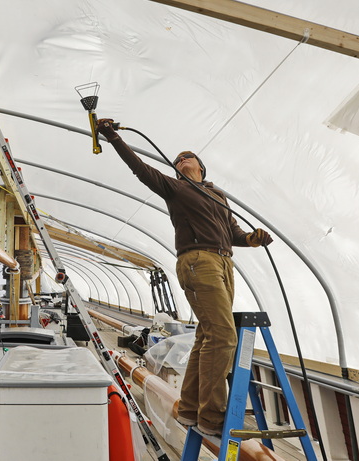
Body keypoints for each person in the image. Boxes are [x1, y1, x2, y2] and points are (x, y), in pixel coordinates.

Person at [96, 118, 272, 438]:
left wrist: (253, 239)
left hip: (223, 263)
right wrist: (113, 137)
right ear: (176, 171)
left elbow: (233, 234)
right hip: (198, 261)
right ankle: (213, 416)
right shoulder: (175, 188)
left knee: (207, 334)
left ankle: (191, 409)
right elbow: (141, 169)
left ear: (201, 167)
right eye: (177, 160)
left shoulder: (218, 195)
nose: (182, 159)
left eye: (187, 156)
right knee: (224, 335)